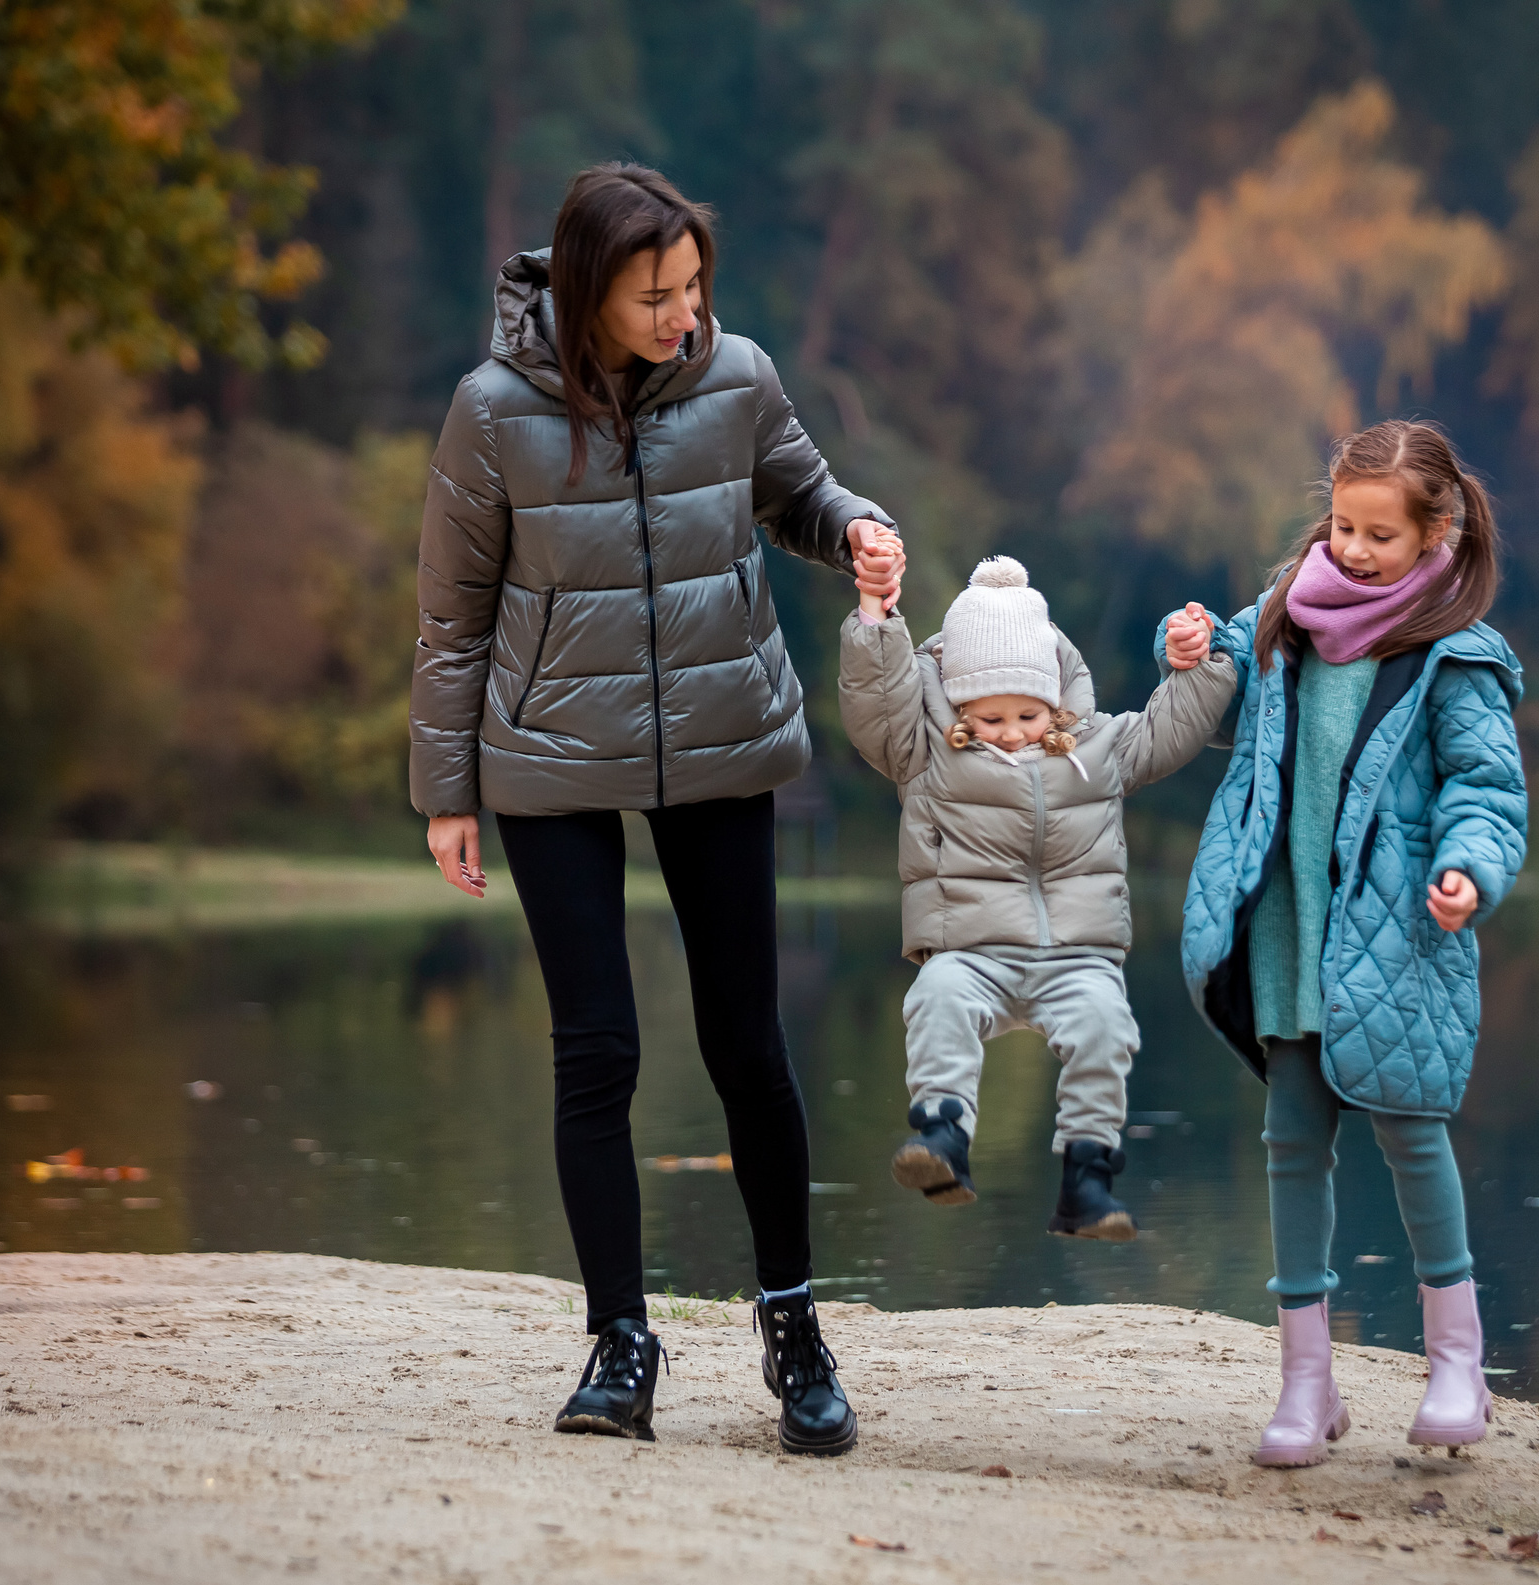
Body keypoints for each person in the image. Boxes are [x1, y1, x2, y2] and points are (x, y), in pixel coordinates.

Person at [409, 162, 907, 1456]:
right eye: (654, 295)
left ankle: (794, 1330)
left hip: (721, 730)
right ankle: (619, 1341)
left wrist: (856, 526)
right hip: (549, 750)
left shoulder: (736, 375)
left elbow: (799, 490)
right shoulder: (488, 412)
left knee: (748, 1045)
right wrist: (444, 790)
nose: (683, 314)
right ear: (586, 290)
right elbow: (454, 620)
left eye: (694, 286)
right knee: (598, 1050)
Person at [1177, 420, 1527, 1468]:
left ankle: (1457, 1362)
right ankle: (1306, 1382)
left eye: (1381, 533)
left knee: (1412, 1135)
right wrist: (1188, 638)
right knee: (1291, 1142)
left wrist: (1469, 868)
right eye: (1342, 527)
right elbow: (1217, 648)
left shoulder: (1451, 657)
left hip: (1399, 930)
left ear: (1434, 535)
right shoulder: (1288, 619)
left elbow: (1486, 790)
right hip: (1289, 922)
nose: (1356, 551)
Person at [839, 556, 1234, 1238]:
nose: (1014, 731)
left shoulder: (1097, 747)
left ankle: (1087, 1175)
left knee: (1107, 1025)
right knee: (936, 997)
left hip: (1076, 956)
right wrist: (876, 620)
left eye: (1028, 712)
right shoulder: (926, 752)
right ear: (960, 706)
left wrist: (1197, 665)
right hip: (970, 948)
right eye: (991, 717)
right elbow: (875, 704)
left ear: (1055, 700)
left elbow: (1169, 731)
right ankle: (942, 1136)